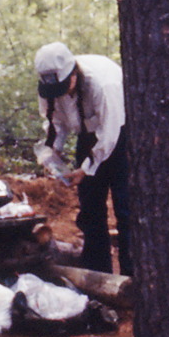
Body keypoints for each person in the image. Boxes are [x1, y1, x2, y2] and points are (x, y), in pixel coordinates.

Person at [34, 42, 130, 275]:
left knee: (126, 209)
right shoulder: (50, 89)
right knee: (90, 210)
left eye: (64, 87)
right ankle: (97, 274)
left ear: (73, 73)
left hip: (122, 137)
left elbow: (109, 134)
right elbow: (55, 122)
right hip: (87, 138)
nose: (61, 93)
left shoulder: (103, 85)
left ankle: (133, 276)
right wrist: (51, 153)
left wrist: (86, 169)